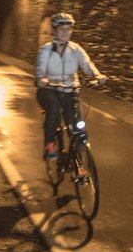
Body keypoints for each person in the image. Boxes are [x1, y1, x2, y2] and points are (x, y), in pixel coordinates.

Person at [35, 13, 106, 160]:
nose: (65, 32)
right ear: (54, 30)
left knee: (77, 126)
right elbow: (40, 68)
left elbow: (87, 64)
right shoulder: (46, 50)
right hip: (49, 90)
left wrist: (97, 75)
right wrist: (41, 78)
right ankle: (50, 145)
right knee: (53, 111)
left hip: (69, 90)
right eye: (61, 29)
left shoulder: (75, 49)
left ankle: (79, 161)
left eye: (68, 29)